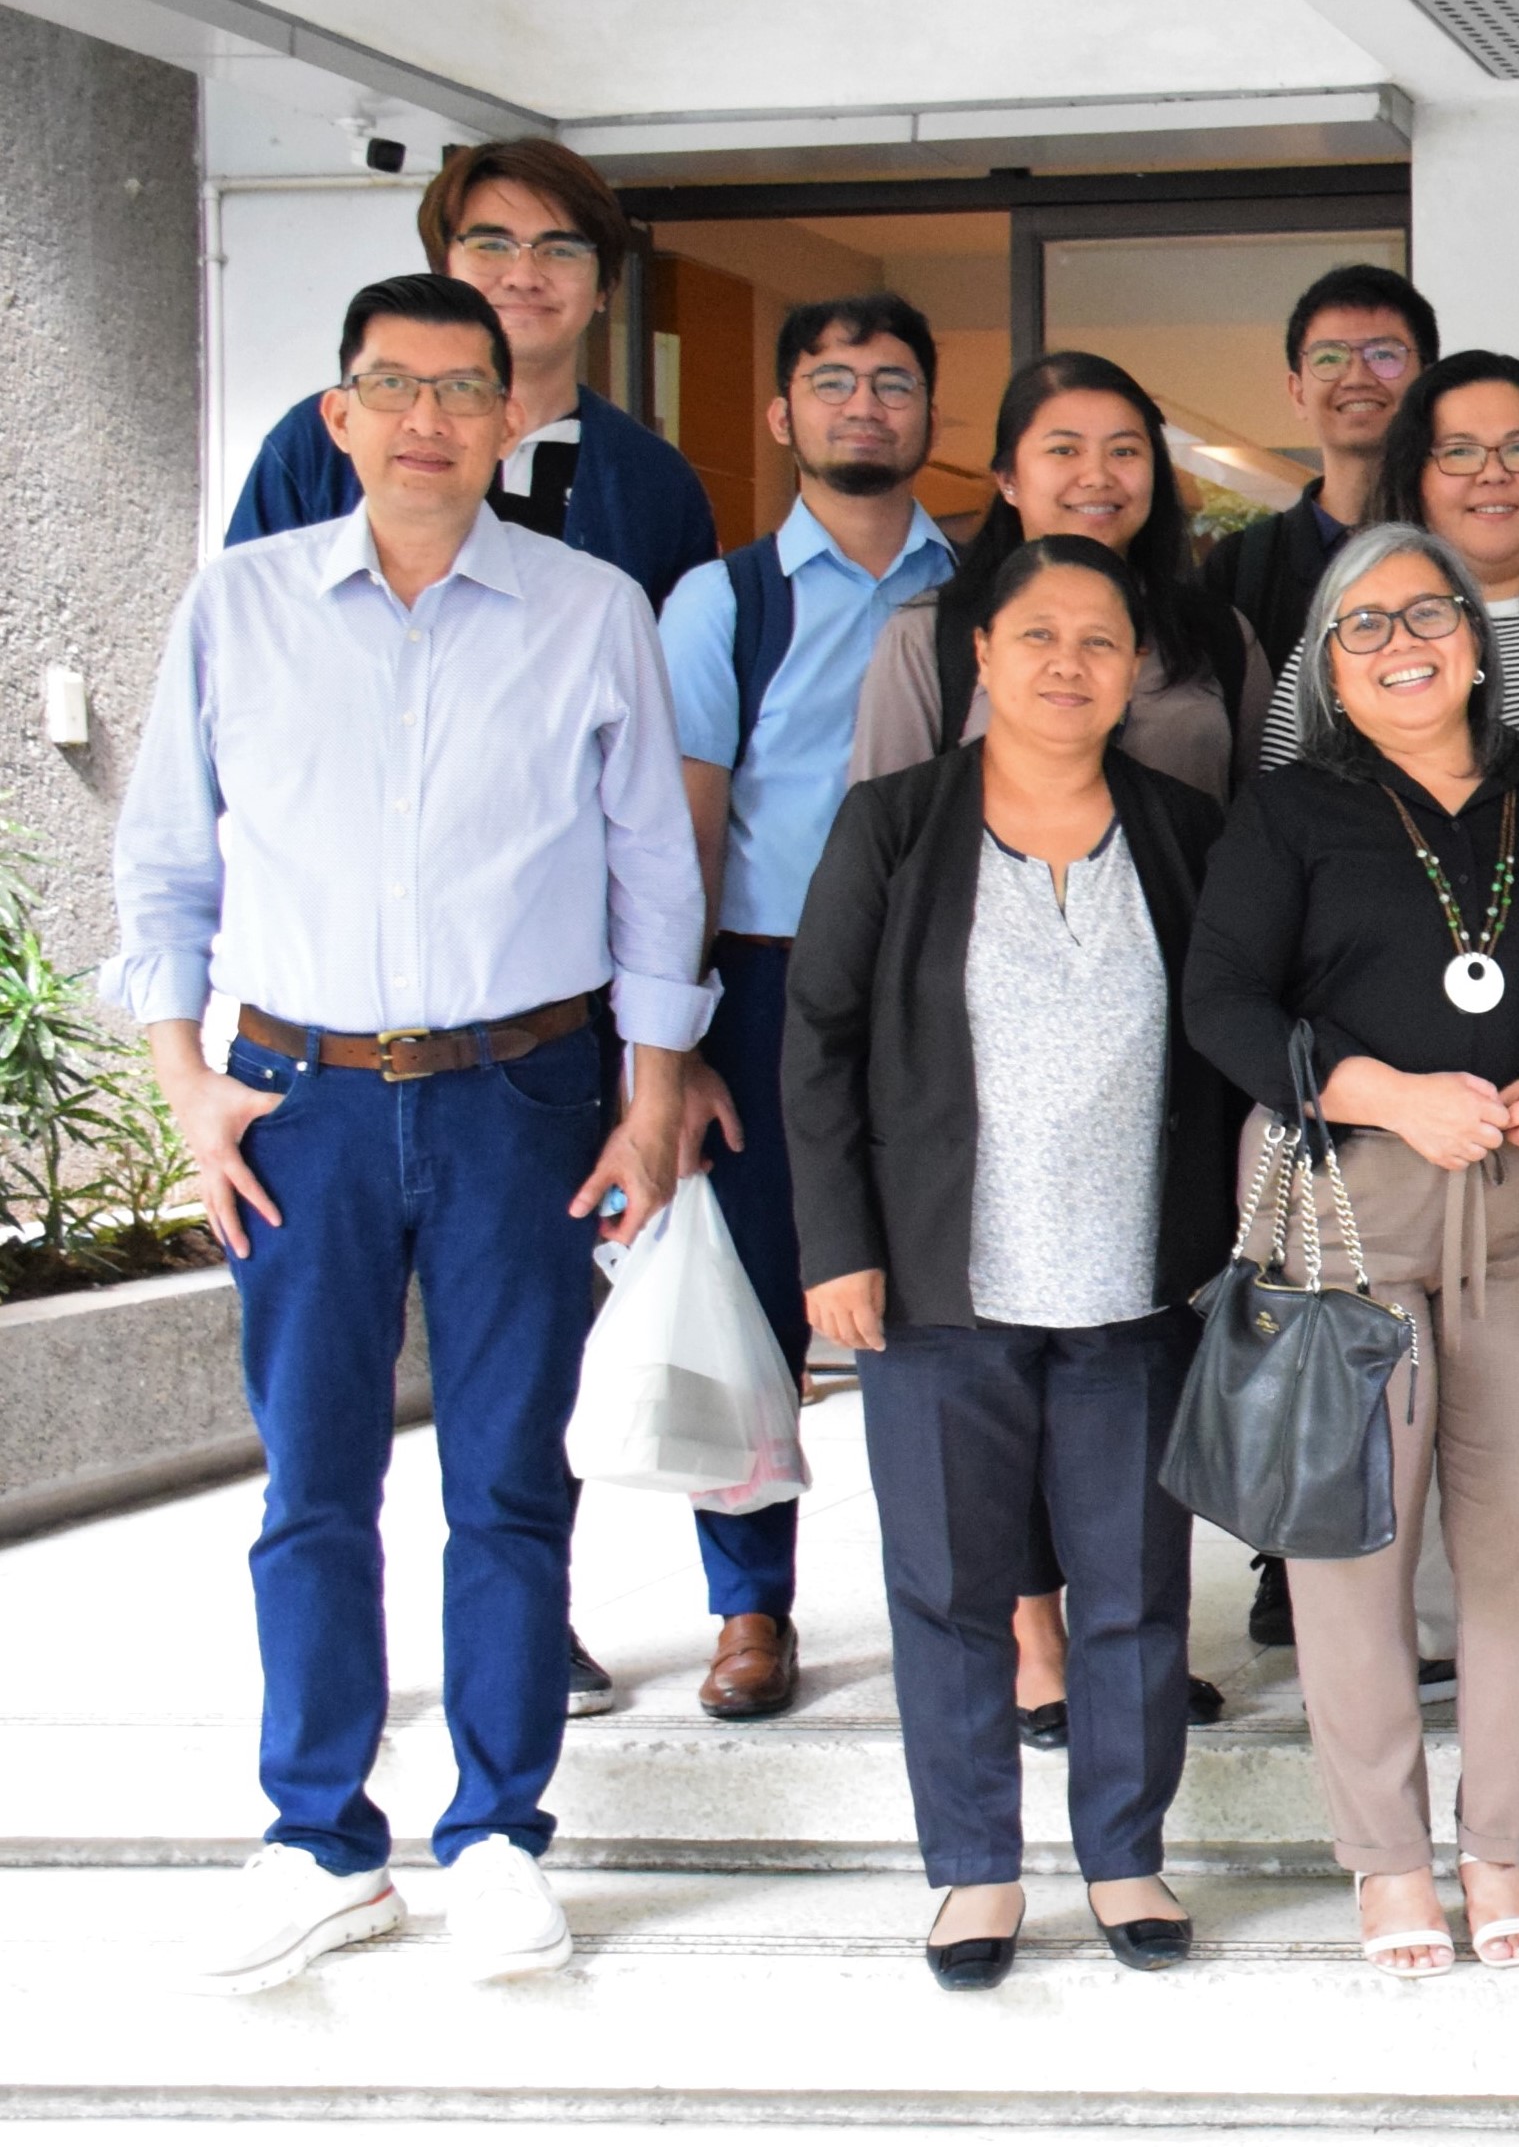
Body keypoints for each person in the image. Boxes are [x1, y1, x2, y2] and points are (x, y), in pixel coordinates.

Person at [117, 273, 711, 1992]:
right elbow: (165, 865)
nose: (432, 419)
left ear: (510, 416)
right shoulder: (236, 608)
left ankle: (498, 1833)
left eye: (465, 388)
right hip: (294, 1098)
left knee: (510, 1483)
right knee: (310, 1484)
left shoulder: (590, 607)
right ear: (341, 415)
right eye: (397, 387)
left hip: (522, 1093)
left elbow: (650, 873)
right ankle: (316, 1833)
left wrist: (653, 1092)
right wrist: (184, 1083)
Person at [781, 536, 1243, 1989]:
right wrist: (836, 1246)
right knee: (949, 1586)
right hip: (937, 1282)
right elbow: (818, 1049)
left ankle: (1123, 1852)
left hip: (1134, 1284)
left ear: (1133, 671)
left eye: (1099, 641)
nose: (1066, 663)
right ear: (976, 656)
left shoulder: (1180, 830)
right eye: (1033, 635)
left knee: (1132, 1588)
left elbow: (1227, 1040)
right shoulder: (893, 825)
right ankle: (974, 1870)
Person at [1188, 523, 1519, 1975]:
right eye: (1364, 625)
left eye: (1426, 615)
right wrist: (1377, 1088)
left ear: (1475, 635)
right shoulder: (1292, 809)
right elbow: (1224, 1006)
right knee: (1350, 1547)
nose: (1402, 644)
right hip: (1345, 1208)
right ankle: (1386, 1862)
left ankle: (1499, 1846)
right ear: (1325, 661)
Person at [1258, 349, 1519, 1726]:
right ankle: (1442, 1630)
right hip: (1385, 1091)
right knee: (1398, 1386)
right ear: (1412, 476)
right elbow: (1288, 846)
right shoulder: (1331, 639)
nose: (1494, 474)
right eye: (1460, 451)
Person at [648, 294, 955, 1722]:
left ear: (930, 415)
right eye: (832, 383)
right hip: (771, 981)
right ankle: (748, 1603)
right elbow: (684, 832)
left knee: (948, 1297)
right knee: (759, 1302)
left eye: (893, 383)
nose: (864, 407)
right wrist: (682, 1040)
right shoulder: (724, 602)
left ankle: (972, 1589)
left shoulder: (985, 585)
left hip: (948, 980)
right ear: (782, 416)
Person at [225, 139, 713, 606]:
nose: (523, 277)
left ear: (605, 287)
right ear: (442, 268)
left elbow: (661, 679)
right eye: (491, 245)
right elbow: (247, 632)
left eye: (560, 250)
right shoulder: (319, 444)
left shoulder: (655, 482)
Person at [850, 352, 1268, 800]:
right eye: (1063, 450)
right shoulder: (929, 634)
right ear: (1008, 478)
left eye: (1124, 451)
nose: (1096, 475)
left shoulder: (1219, 634)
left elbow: (1270, 826)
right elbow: (885, 835)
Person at [1196, 262, 1437, 693]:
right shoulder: (1239, 568)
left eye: (1384, 355)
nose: (1358, 377)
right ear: (1297, 392)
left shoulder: (1462, 545)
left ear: (1428, 380)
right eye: (1330, 357)